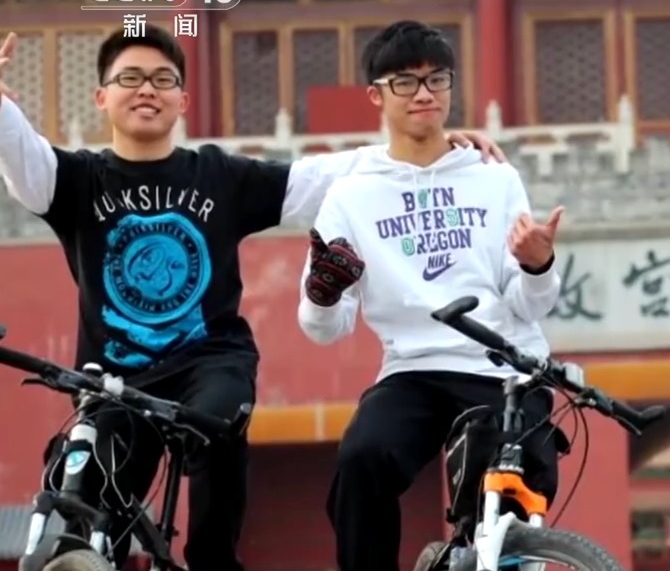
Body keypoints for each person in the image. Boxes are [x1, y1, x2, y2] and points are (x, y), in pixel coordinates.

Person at [0, 28, 504, 570]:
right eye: (131, 78)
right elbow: (21, 156)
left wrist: (429, 147)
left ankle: (215, 562)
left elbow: (320, 177)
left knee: (218, 425)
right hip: (114, 376)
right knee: (93, 499)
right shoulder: (76, 180)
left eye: (163, 79)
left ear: (183, 100)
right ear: (101, 96)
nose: (147, 89)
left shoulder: (218, 176)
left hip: (209, 362)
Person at [296, 20, 565, 571]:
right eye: (405, 82)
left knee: (509, 476)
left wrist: (537, 266)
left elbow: (530, 305)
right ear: (376, 95)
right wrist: (321, 293)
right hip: (412, 371)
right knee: (362, 458)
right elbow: (325, 329)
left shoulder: (494, 178)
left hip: (502, 366)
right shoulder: (349, 197)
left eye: (436, 79)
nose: (424, 93)